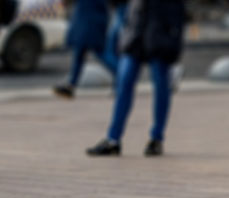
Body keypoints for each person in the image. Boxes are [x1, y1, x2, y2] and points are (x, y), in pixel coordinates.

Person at [86, 0, 187, 158]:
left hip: (161, 30)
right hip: (136, 31)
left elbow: (179, 10)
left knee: (161, 84)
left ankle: (156, 138)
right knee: (124, 81)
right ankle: (113, 139)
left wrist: (175, 40)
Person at [54, 0, 115, 99]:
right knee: (80, 52)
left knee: (98, 52)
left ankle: (122, 76)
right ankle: (71, 85)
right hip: (92, 15)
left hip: (89, 16)